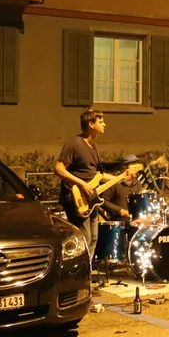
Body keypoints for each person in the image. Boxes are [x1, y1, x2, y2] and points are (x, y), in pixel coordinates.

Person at [54, 108, 120, 264]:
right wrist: (82, 185)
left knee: (94, 238)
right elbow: (58, 169)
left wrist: (122, 178)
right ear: (91, 124)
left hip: (92, 199)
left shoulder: (94, 147)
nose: (105, 124)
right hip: (77, 199)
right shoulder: (74, 144)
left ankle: (87, 275)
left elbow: (98, 176)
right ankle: (78, 276)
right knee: (85, 238)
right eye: (101, 121)